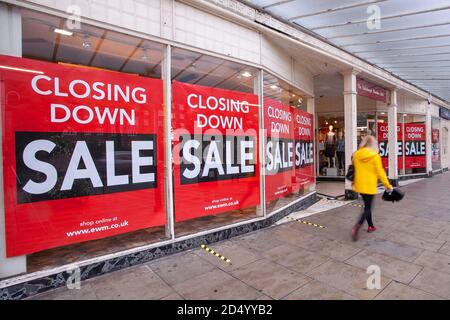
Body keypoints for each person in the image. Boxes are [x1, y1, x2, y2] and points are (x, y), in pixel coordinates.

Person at [351, 135, 393, 241]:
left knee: (367, 206)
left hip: (360, 185)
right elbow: (380, 172)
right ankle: (357, 225)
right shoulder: (375, 156)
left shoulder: (356, 154)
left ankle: (371, 226)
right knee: (368, 208)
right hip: (369, 186)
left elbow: (354, 170)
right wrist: (388, 185)